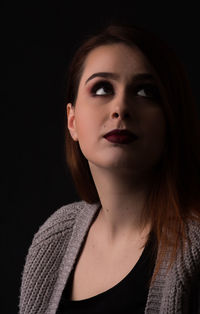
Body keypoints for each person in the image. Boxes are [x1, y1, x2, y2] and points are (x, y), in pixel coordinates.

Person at [19, 22, 200, 314]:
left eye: (145, 92)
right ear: (72, 121)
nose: (121, 107)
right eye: (102, 88)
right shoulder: (54, 239)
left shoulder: (195, 246)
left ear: (170, 120)